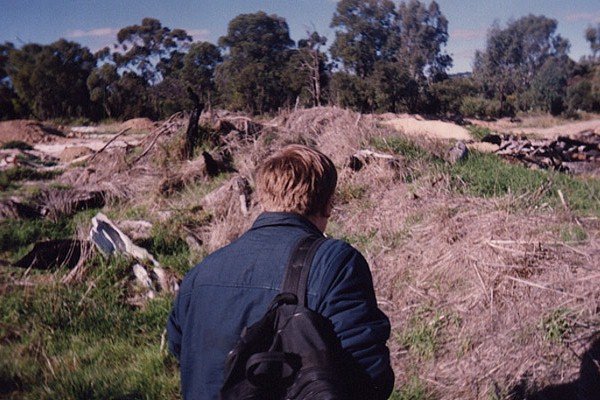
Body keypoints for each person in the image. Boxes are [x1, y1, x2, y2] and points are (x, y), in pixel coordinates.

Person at [167, 144, 394, 399]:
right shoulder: (335, 263)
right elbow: (368, 376)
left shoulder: (201, 273)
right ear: (329, 204)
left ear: (263, 198)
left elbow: (180, 348)